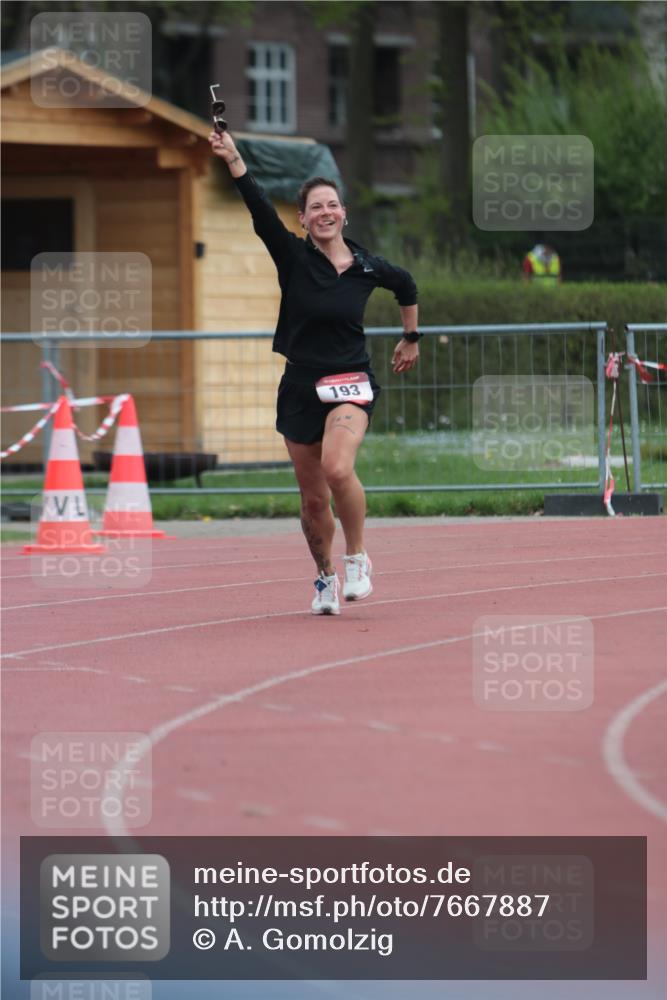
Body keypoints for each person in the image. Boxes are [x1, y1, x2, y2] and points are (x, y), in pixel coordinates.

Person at [209, 128, 419, 615]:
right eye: (315, 208)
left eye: (332, 205)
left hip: (350, 382)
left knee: (338, 467)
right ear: (303, 220)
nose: (325, 213)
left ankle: (358, 557)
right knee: (312, 500)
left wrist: (412, 338)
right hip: (301, 386)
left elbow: (406, 285)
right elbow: (259, 207)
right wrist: (234, 159)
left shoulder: (367, 265)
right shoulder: (293, 257)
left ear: (343, 212)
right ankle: (325, 577)